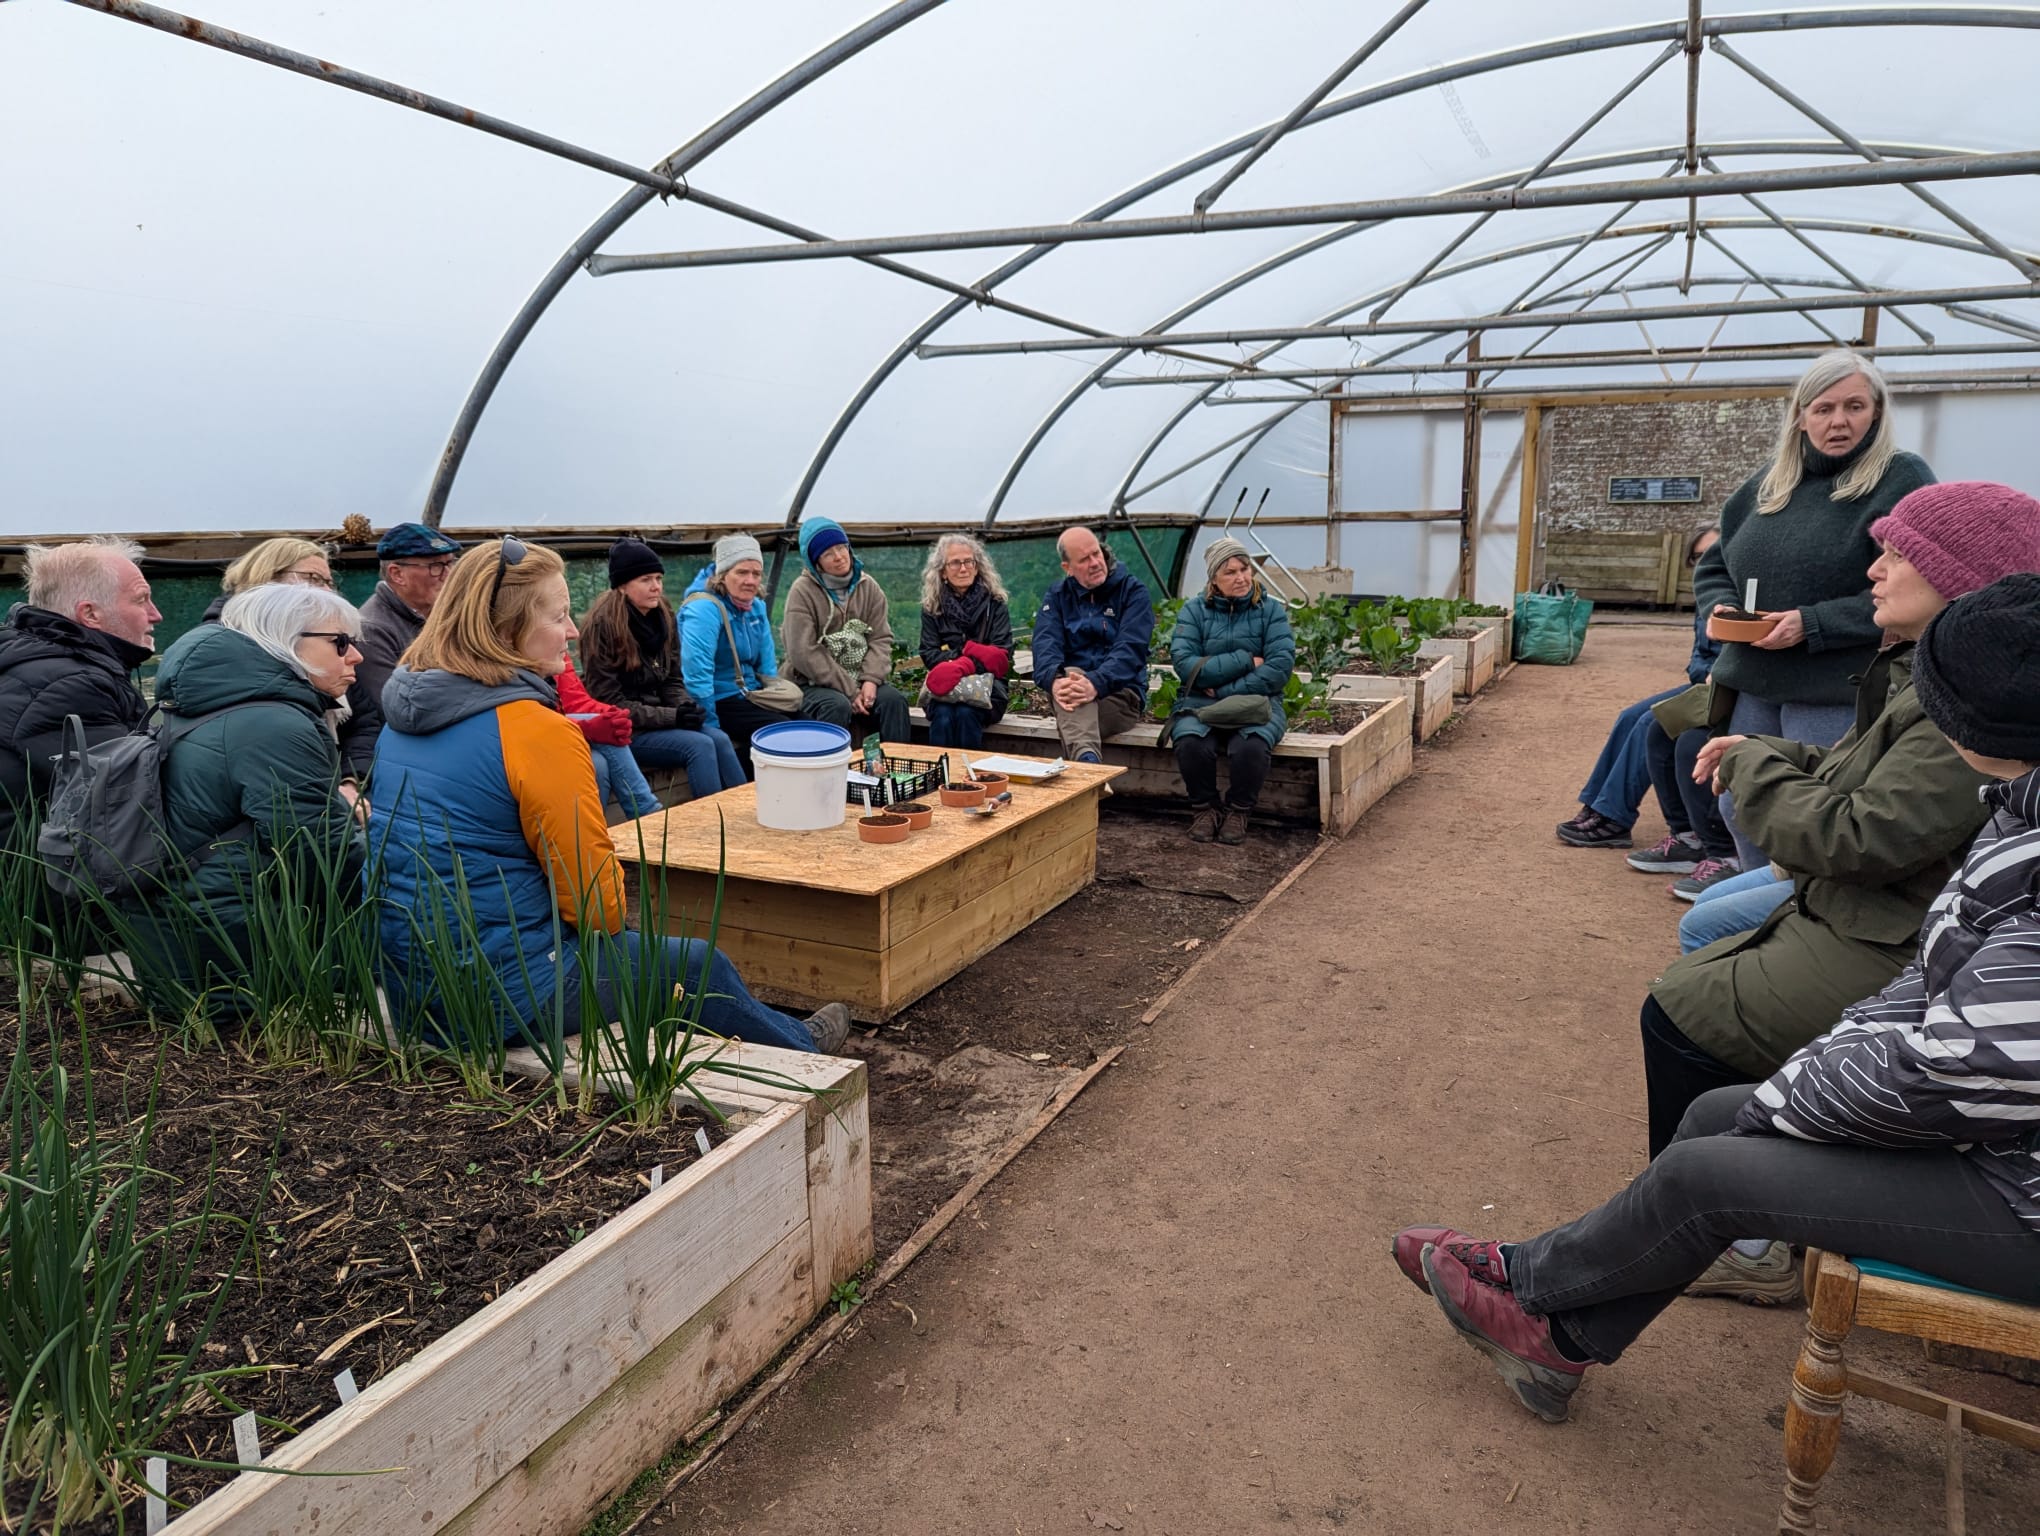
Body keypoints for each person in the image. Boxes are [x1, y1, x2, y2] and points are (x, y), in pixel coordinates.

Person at [1390, 574, 2040, 1427]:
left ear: (1983, 725)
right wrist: (1820, 1066)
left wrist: (1797, 1090)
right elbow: (1937, 974)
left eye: (1941, 702)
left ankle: (1533, 1286)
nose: (1876, 572)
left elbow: (1963, 1071)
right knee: (1710, 1117)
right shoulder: (2016, 806)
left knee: (1708, 1170)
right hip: (1999, 1131)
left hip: (2020, 1189)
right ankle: (1556, 1334)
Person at [1641, 481, 2040, 1184]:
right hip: (1881, 914)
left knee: (1677, 1013)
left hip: (1890, 930)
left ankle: (1733, 1203)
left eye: (1897, 555)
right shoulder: (1922, 669)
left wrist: (1756, 765)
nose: (1873, 571)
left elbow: (1859, 839)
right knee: (1705, 932)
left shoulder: (1967, 703)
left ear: (1959, 577)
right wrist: (1771, 752)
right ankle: (1740, 1141)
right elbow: (1862, 776)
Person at [370, 538, 847, 1052]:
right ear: (506, 631)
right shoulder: (535, 733)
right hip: (506, 997)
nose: (572, 631)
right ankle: (804, 1047)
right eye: (559, 617)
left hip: (417, 990)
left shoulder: (402, 721)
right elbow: (598, 908)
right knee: (694, 964)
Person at [1691, 351, 1934, 868]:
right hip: (1755, 676)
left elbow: (1919, 585)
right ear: (1801, 416)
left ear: (1876, 411)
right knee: (1740, 804)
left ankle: (1802, 909)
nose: (1838, 421)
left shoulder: (1901, 479)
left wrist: (1813, 624)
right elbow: (1714, 566)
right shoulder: (1769, 483)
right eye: (1823, 408)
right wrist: (1722, 609)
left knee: (1813, 813)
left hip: (1835, 685)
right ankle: (1763, 901)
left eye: (1854, 406)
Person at [122, 584, 366, 1007]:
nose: (356, 655)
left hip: (181, 935)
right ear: (287, 640)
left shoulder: (212, 700)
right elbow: (319, 853)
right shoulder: (275, 725)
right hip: (234, 957)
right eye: (340, 642)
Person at [1557, 526, 1721, 856]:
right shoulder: (1705, 599)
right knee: (1629, 715)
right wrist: (1705, 673)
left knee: (1652, 721)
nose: (1706, 562)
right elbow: (1697, 659)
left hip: (1729, 690)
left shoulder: (1737, 594)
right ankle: (1597, 806)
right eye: (1698, 557)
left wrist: (1720, 673)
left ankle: (1614, 818)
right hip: (1704, 686)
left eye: (1713, 553)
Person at [0, 536, 157, 848]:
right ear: (90, 614)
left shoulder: (34, 663)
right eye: (141, 600)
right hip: (44, 872)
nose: (155, 614)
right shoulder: (73, 687)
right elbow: (125, 804)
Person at [201, 535, 380, 803]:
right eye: (313, 579)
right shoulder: (226, 646)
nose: (327, 591)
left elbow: (364, 723)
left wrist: (350, 781)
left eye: (329, 582)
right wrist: (334, 799)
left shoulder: (322, 640)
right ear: (266, 577)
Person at [578, 538, 743, 800]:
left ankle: (745, 812)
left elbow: (672, 679)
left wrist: (685, 707)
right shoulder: (603, 627)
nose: (656, 587)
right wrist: (672, 717)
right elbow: (609, 703)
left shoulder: (662, 614)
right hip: (628, 730)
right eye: (646, 580)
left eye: (658, 578)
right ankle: (711, 822)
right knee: (699, 746)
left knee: (720, 739)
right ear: (622, 585)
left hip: (660, 719)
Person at [1166, 538, 1294, 845]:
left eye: (1244, 569)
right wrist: (1246, 660)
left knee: (1251, 745)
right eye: (1230, 572)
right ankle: (1205, 809)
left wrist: (1225, 689)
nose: (1241, 577)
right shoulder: (1194, 611)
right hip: (1200, 699)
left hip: (1258, 701)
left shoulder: (1271, 612)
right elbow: (1186, 665)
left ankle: (1239, 810)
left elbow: (1279, 667)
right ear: (1213, 579)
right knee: (1191, 741)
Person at [781, 518, 912, 745]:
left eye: (841, 548)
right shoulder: (802, 592)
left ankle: (896, 763)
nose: (839, 557)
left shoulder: (868, 587)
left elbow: (880, 638)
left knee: (893, 700)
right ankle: (828, 766)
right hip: (810, 682)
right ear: (816, 562)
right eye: (828, 553)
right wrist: (850, 690)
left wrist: (871, 680)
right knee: (836, 705)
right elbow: (803, 651)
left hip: (860, 677)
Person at [1030, 527, 1155, 764]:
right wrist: (1054, 681)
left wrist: (1095, 683)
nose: (1095, 563)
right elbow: (1044, 645)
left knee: (1072, 706)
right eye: (1084, 559)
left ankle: (1088, 768)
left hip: (1120, 695)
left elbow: (1131, 649)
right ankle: (1089, 767)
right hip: (1069, 690)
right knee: (1072, 682)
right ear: (1067, 568)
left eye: (1096, 553)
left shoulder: (1132, 592)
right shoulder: (1058, 596)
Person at [677, 534, 791, 773]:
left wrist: (774, 698)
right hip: (719, 699)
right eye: (742, 572)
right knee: (781, 734)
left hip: (750, 695)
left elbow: (767, 666)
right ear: (722, 574)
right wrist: (711, 726)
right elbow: (697, 676)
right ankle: (755, 787)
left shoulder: (755, 606)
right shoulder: (704, 609)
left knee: (808, 724)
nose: (750, 580)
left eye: (756, 574)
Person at [917, 532, 1014, 751]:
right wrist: (969, 655)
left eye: (969, 561)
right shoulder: (932, 607)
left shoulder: (995, 604)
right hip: (944, 689)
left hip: (989, 690)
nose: (963, 568)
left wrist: (960, 664)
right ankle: (942, 771)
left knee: (966, 713)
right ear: (942, 571)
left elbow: (1002, 654)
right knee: (942, 715)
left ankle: (968, 772)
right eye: (955, 563)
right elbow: (929, 654)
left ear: (977, 567)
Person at [357, 521, 461, 717]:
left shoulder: (449, 615)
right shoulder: (371, 630)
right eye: (436, 566)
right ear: (397, 574)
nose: (448, 575)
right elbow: (396, 707)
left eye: (450, 563)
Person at [556, 657, 661, 821]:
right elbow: (533, 720)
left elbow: (575, 700)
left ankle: (647, 813)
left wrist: (612, 713)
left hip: (566, 730)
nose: (567, 644)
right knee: (597, 765)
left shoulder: (554, 650)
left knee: (706, 741)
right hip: (537, 742)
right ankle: (647, 813)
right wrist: (585, 726)